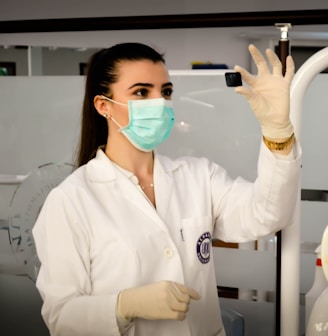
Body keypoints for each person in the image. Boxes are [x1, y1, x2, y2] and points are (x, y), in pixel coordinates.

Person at [32, 42, 301, 336]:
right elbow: (62, 317)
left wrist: (278, 131)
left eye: (166, 91)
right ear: (103, 106)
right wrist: (123, 305)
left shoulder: (198, 176)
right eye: (141, 92)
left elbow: (267, 214)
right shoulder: (71, 200)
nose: (159, 102)